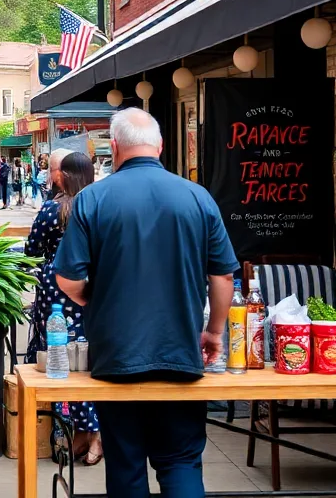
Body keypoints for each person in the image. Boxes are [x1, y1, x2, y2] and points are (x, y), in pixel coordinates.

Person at [54, 108, 239, 497]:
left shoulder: (92, 199)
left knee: (125, 462)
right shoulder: (198, 197)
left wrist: (96, 299)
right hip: (180, 351)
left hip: (116, 355)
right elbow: (223, 276)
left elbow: (67, 279)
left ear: (115, 147)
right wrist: (214, 332)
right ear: (160, 146)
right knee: (181, 460)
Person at [26, 151, 103, 464]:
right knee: (88, 361)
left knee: (60, 361)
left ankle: (81, 432)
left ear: (62, 175)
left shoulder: (53, 209)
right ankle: (91, 434)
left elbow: (32, 249)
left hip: (58, 289)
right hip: (94, 288)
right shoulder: (99, 206)